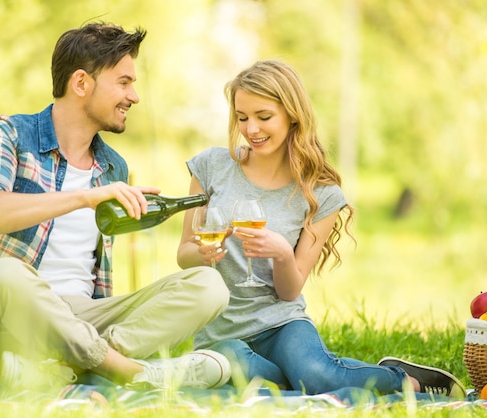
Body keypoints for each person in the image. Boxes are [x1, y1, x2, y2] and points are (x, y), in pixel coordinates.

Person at [0, 22, 232, 391]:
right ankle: (131, 373)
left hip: (82, 320)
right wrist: (83, 198)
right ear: (81, 83)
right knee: (6, 274)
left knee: (209, 286)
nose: (134, 96)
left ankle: (73, 370)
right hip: (9, 317)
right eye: (124, 82)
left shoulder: (113, 167)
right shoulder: (10, 134)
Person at [177, 60, 465, 398]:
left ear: (292, 115)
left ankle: (402, 379)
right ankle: (303, 379)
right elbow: (184, 255)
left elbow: (290, 289)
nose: (251, 129)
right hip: (221, 334)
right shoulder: (212, 167)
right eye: (242, 118)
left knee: (315, 375)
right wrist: (204, 252)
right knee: (239, 369)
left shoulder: (321, 193)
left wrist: (283, 253)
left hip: (281, 324)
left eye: (263, 117)